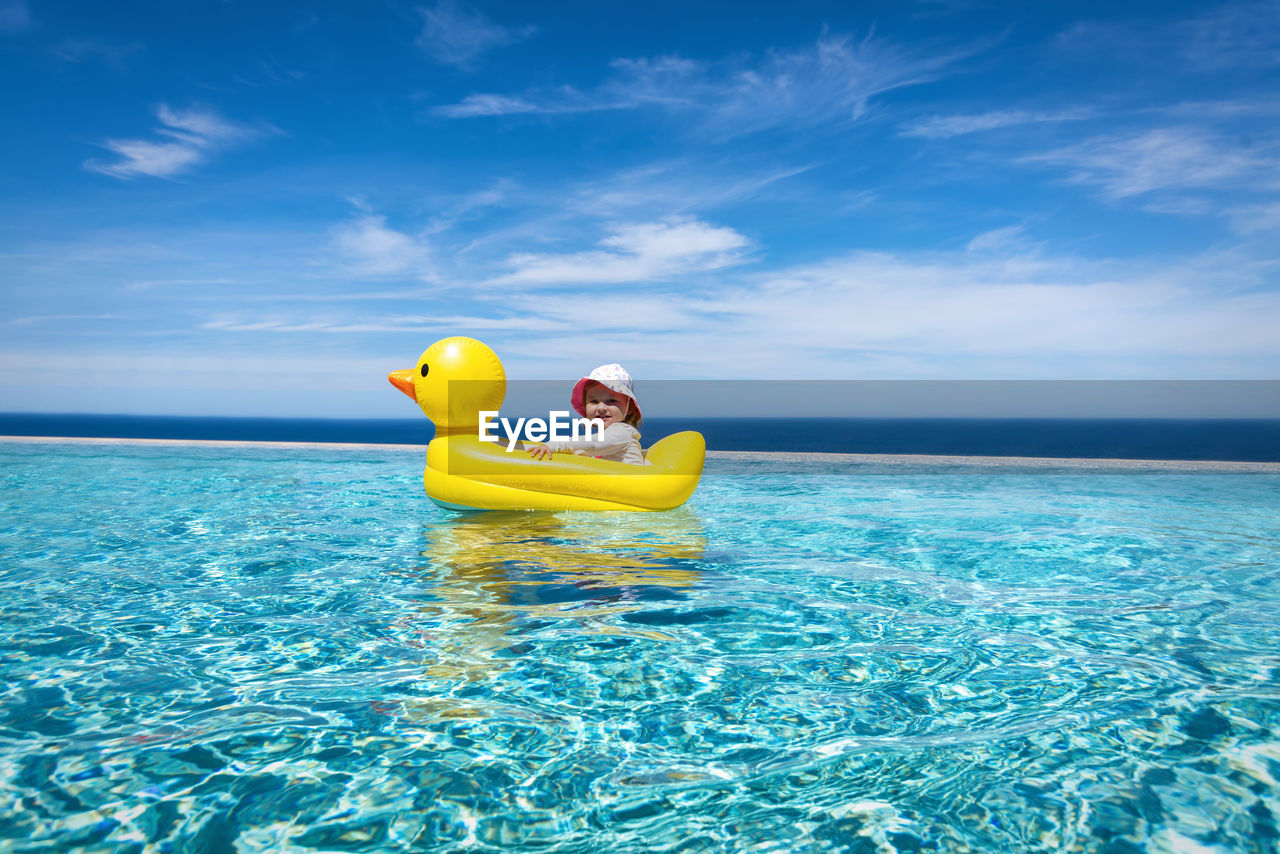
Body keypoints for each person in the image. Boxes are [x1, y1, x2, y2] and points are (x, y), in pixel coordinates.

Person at [528, 363, 648, 465]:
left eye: (611, 401)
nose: (601, 408)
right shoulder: (607, 436)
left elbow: (594, 444)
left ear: (630, 408)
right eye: (594, 401)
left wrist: (553, 445)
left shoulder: (623, 431)